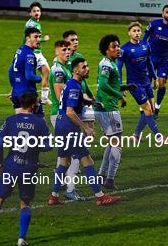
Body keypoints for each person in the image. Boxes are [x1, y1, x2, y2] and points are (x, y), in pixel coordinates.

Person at [0, 92, 52, 246]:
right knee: (24, 203)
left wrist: (1, 162)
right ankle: (21, 238)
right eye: (38, 102)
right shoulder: (40, 123)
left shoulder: (10, 120)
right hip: (29, 167)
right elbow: (48, 146)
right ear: (33, 105)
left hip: (11, 165)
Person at [48, 58, 121, 206]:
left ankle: (53, 196)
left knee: (64, 161)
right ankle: (100, 196)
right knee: (87, 160)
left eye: (87, 66)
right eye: (84, 67)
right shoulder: (75, 86)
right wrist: (86, 127)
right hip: (69, 127)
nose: (87, 69)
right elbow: (70, 112)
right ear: (76, 70)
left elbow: (73, 101)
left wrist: (91, 102)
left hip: (60, 126)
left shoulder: (72, 83)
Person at [94, 35, 134, 190]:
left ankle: (101, 175)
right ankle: (109, 179)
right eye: (114, 47)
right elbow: (103, 85)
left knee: (111, 144)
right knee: (117, 145)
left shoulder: (109, 63)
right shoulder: (106, 65)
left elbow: (111, 84)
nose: (118, 49)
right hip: (108, 109)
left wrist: (125, 87)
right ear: (106, 50)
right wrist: (120, 96)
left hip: (104, 108)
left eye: (118, 46)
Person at [48, 40, 85, 201]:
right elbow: (60, 97)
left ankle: (57, 191)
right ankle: (70, 189)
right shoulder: (58, 71)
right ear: (57, 52)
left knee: (65, 158)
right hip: (62, 115)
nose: (67, 52)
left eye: (68, 49)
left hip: (63, 115)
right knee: (77, 156)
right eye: (63, 49)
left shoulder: (65, 68)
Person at [118, 22, 161, 140]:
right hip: (134, 85)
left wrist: (155, 78)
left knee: (150, 110)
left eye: (138, 31)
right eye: (134, 31)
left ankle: (136, 135)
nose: (137, 33)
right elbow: (119, 68)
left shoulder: (145, 45)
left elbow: (149, 63)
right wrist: (121, 87)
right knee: (147, 110)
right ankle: (159, 137)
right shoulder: (124, 49)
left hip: (147, 81)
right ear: (129, 33)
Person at [142, 4, 168, 118]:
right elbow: (144, 39)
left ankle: (157, 107)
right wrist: (142, 52)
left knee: (162, 84)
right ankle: (145, 107)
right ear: (163, 14)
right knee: (147, 83)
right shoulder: (154, 24)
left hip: (164, 60)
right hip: (150, 58)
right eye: (167, 12)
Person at [63, 30, 95, 129]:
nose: (75, 42)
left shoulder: (79, 57)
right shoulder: (63, 59)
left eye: (76, 39)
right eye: (72, 40)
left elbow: (83, 79)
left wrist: (90, 94)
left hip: (83, 92)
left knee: (90, 121)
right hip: (73, 94)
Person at [9, 27, 44, 117]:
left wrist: (14, 87)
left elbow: (11, 70)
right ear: (28, 38)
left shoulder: (19, 50)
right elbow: (29, 76)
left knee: (21, 124)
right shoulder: (29, 55)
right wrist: (41, 78)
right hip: (28, 94)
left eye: (39, 37)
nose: (38, 40)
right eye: (35, 37)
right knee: (40, 123)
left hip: (16, 94)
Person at [24, 2, 51, 104]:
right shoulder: (31, 24)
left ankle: (44, 98)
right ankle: (22, 96)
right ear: (30, 13)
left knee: (47, 72)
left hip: (38, 53)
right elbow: (32, 38)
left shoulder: (36, 23)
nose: (36, 13)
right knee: (28, 76)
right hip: (32, 53)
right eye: (34, 11)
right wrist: (44, 39)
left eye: (38, 11)